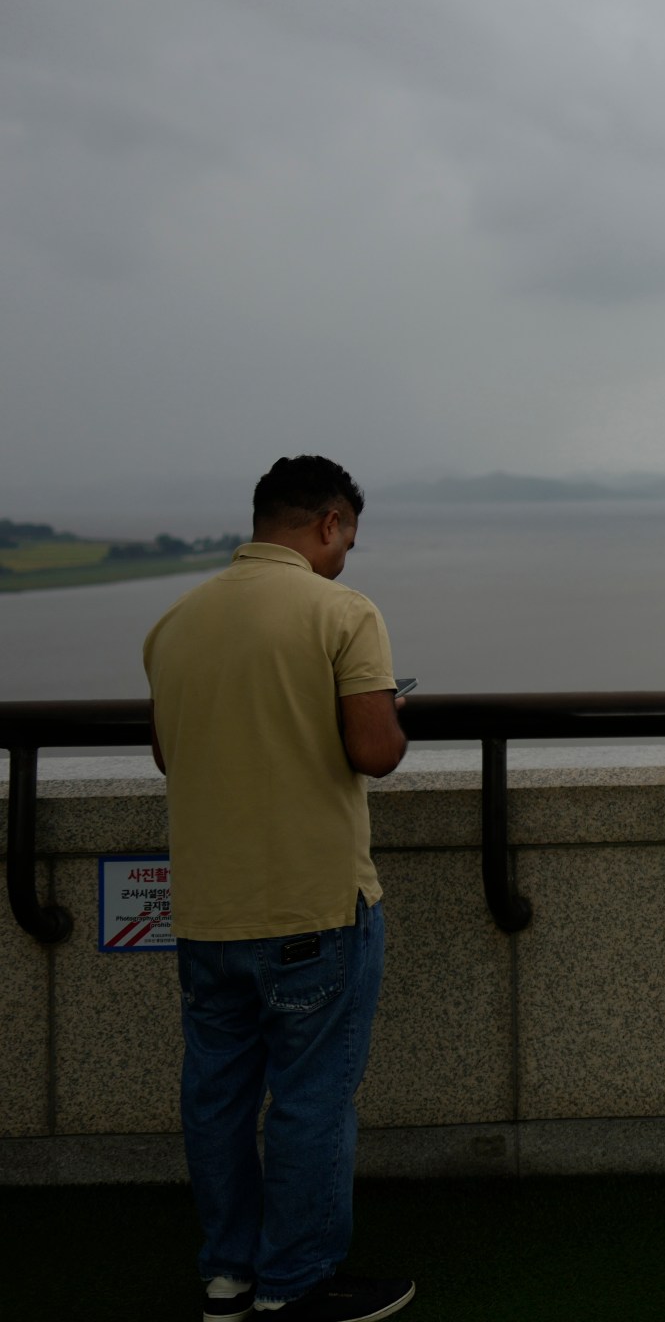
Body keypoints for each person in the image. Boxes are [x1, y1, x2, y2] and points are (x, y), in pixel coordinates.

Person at [142, 456, 414, 1322]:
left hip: (206, 910)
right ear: (329, 523)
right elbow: (373, 750)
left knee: (217, 1098)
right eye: (347, 540)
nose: (345, 558)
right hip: (312, 907)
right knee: (309, 1101)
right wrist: (391, 715)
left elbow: (166, 752)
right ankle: (295, 1285)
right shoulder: (341, 612)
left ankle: (227, 1277)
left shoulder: (175, 621)